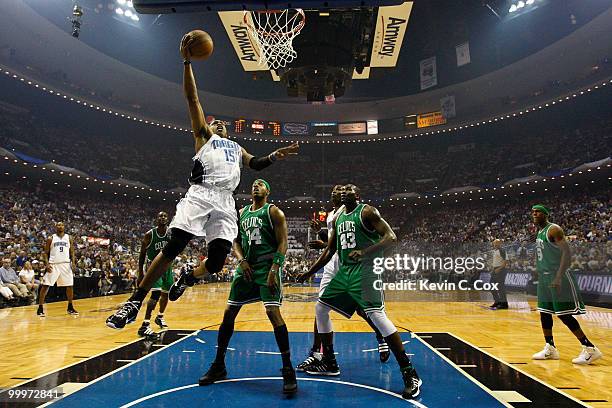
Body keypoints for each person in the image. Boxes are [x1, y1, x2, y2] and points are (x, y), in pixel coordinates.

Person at [105, 32, 299, 329]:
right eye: (215, 121)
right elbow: (192, 98)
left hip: (226, 201)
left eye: (223, 123)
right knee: (173, 245)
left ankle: (187, 277)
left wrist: (275, 155)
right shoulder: (204, 137)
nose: (219, 123)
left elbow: (256, 165)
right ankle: (134, 300)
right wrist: (186, 62)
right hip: (200, 194)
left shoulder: (237, 148)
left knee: (219, 261)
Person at [297, 185, 421, 399]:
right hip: (345, 272)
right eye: (342, 190)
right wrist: (309, 271)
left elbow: (391, 237)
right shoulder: (337, 219)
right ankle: (329, 361)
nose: (344, 191)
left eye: (349, 189)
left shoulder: (367, 211)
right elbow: (330, 250)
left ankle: (410, 373)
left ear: (358, 195)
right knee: (321, 307)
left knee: (377, 316)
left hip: (366, 271)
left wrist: (365, 252)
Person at [199, 179, 297, 394]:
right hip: (246, 268)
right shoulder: (241, 213)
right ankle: (219, 365)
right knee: (228, 314)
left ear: (268, 191)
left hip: (267, 267)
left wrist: (275, 269)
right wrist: (241, 261)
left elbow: (283, 242)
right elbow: (235, 241)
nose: (256, 186)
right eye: (254, 184)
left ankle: (288, 369)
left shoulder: (274, 212)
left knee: (273, 313)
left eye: (261, 184)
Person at [297, 185, 390, 372]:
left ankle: (382, 336)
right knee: (321, 307)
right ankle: (317, 354)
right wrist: (321, 233)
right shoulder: (333, 214)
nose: (336, 192)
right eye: (334, 190)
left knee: (363, 310)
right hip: (333, 262)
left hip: (349, 261)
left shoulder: (351, 211)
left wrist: (324, 243)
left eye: (340, 190)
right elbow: (334, 239)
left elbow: (344, 241)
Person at [530, 204, 602, 365]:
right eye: (533, 212)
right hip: (545, 277)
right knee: (544, 312)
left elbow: (567, 253)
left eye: (538, 212)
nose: (534, 214)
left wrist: (558, 277)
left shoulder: (553, 229)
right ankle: (550, 347)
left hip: (558, 276)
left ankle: (590, 348)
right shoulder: (539, 232)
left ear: (545, 214)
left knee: (563, 314)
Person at [137, 212, 173, 337]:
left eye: (165, 216)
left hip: (168, 267)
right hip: (154, 266)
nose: (162, 217)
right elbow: (142, 254)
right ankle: (145, 324)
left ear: (168, 219)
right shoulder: (149, 235)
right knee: (155, 294)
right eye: (160, 216)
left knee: (166, 294)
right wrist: (140, 272)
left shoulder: (171, 233)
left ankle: (160, 317)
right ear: (156, 219)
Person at [38, 222, 79, 317]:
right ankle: (40, 308)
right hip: (54, 264)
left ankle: (70, 307)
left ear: (64, 227)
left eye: (62, 225)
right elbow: (45, 253)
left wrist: (73, 263)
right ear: (55, 227)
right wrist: (47, 264)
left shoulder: (69, 238)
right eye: (58, 225)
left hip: (65, 264)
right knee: (45, 285)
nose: (60, 226)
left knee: (69, 286)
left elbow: (72, 251)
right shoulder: (51, 238)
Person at [489, 239, 509, 309]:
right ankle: (497, 301)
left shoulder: (502, 250)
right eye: (494, 243)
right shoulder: (495, 251)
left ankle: (504, 304)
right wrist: (493, 270)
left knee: (500, 288)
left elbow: (506, 261)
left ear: (500, 243)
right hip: (495, 270)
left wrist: (499, 269)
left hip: (501, 270)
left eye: (496, 243)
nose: (495, 244)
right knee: (492, 286)